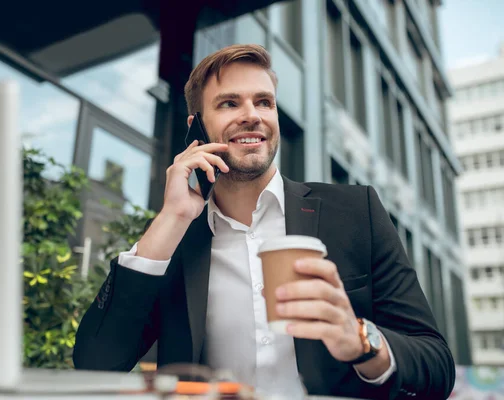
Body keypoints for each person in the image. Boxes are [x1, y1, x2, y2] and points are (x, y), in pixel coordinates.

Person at [73, 44, 455, 400]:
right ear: (197, 128)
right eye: (228, 103)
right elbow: (95, 363)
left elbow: (436, 364)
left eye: (264, 102)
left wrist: (361, 340)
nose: (252, 115)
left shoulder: (356, 211)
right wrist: (172, 218)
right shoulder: (174, 240)